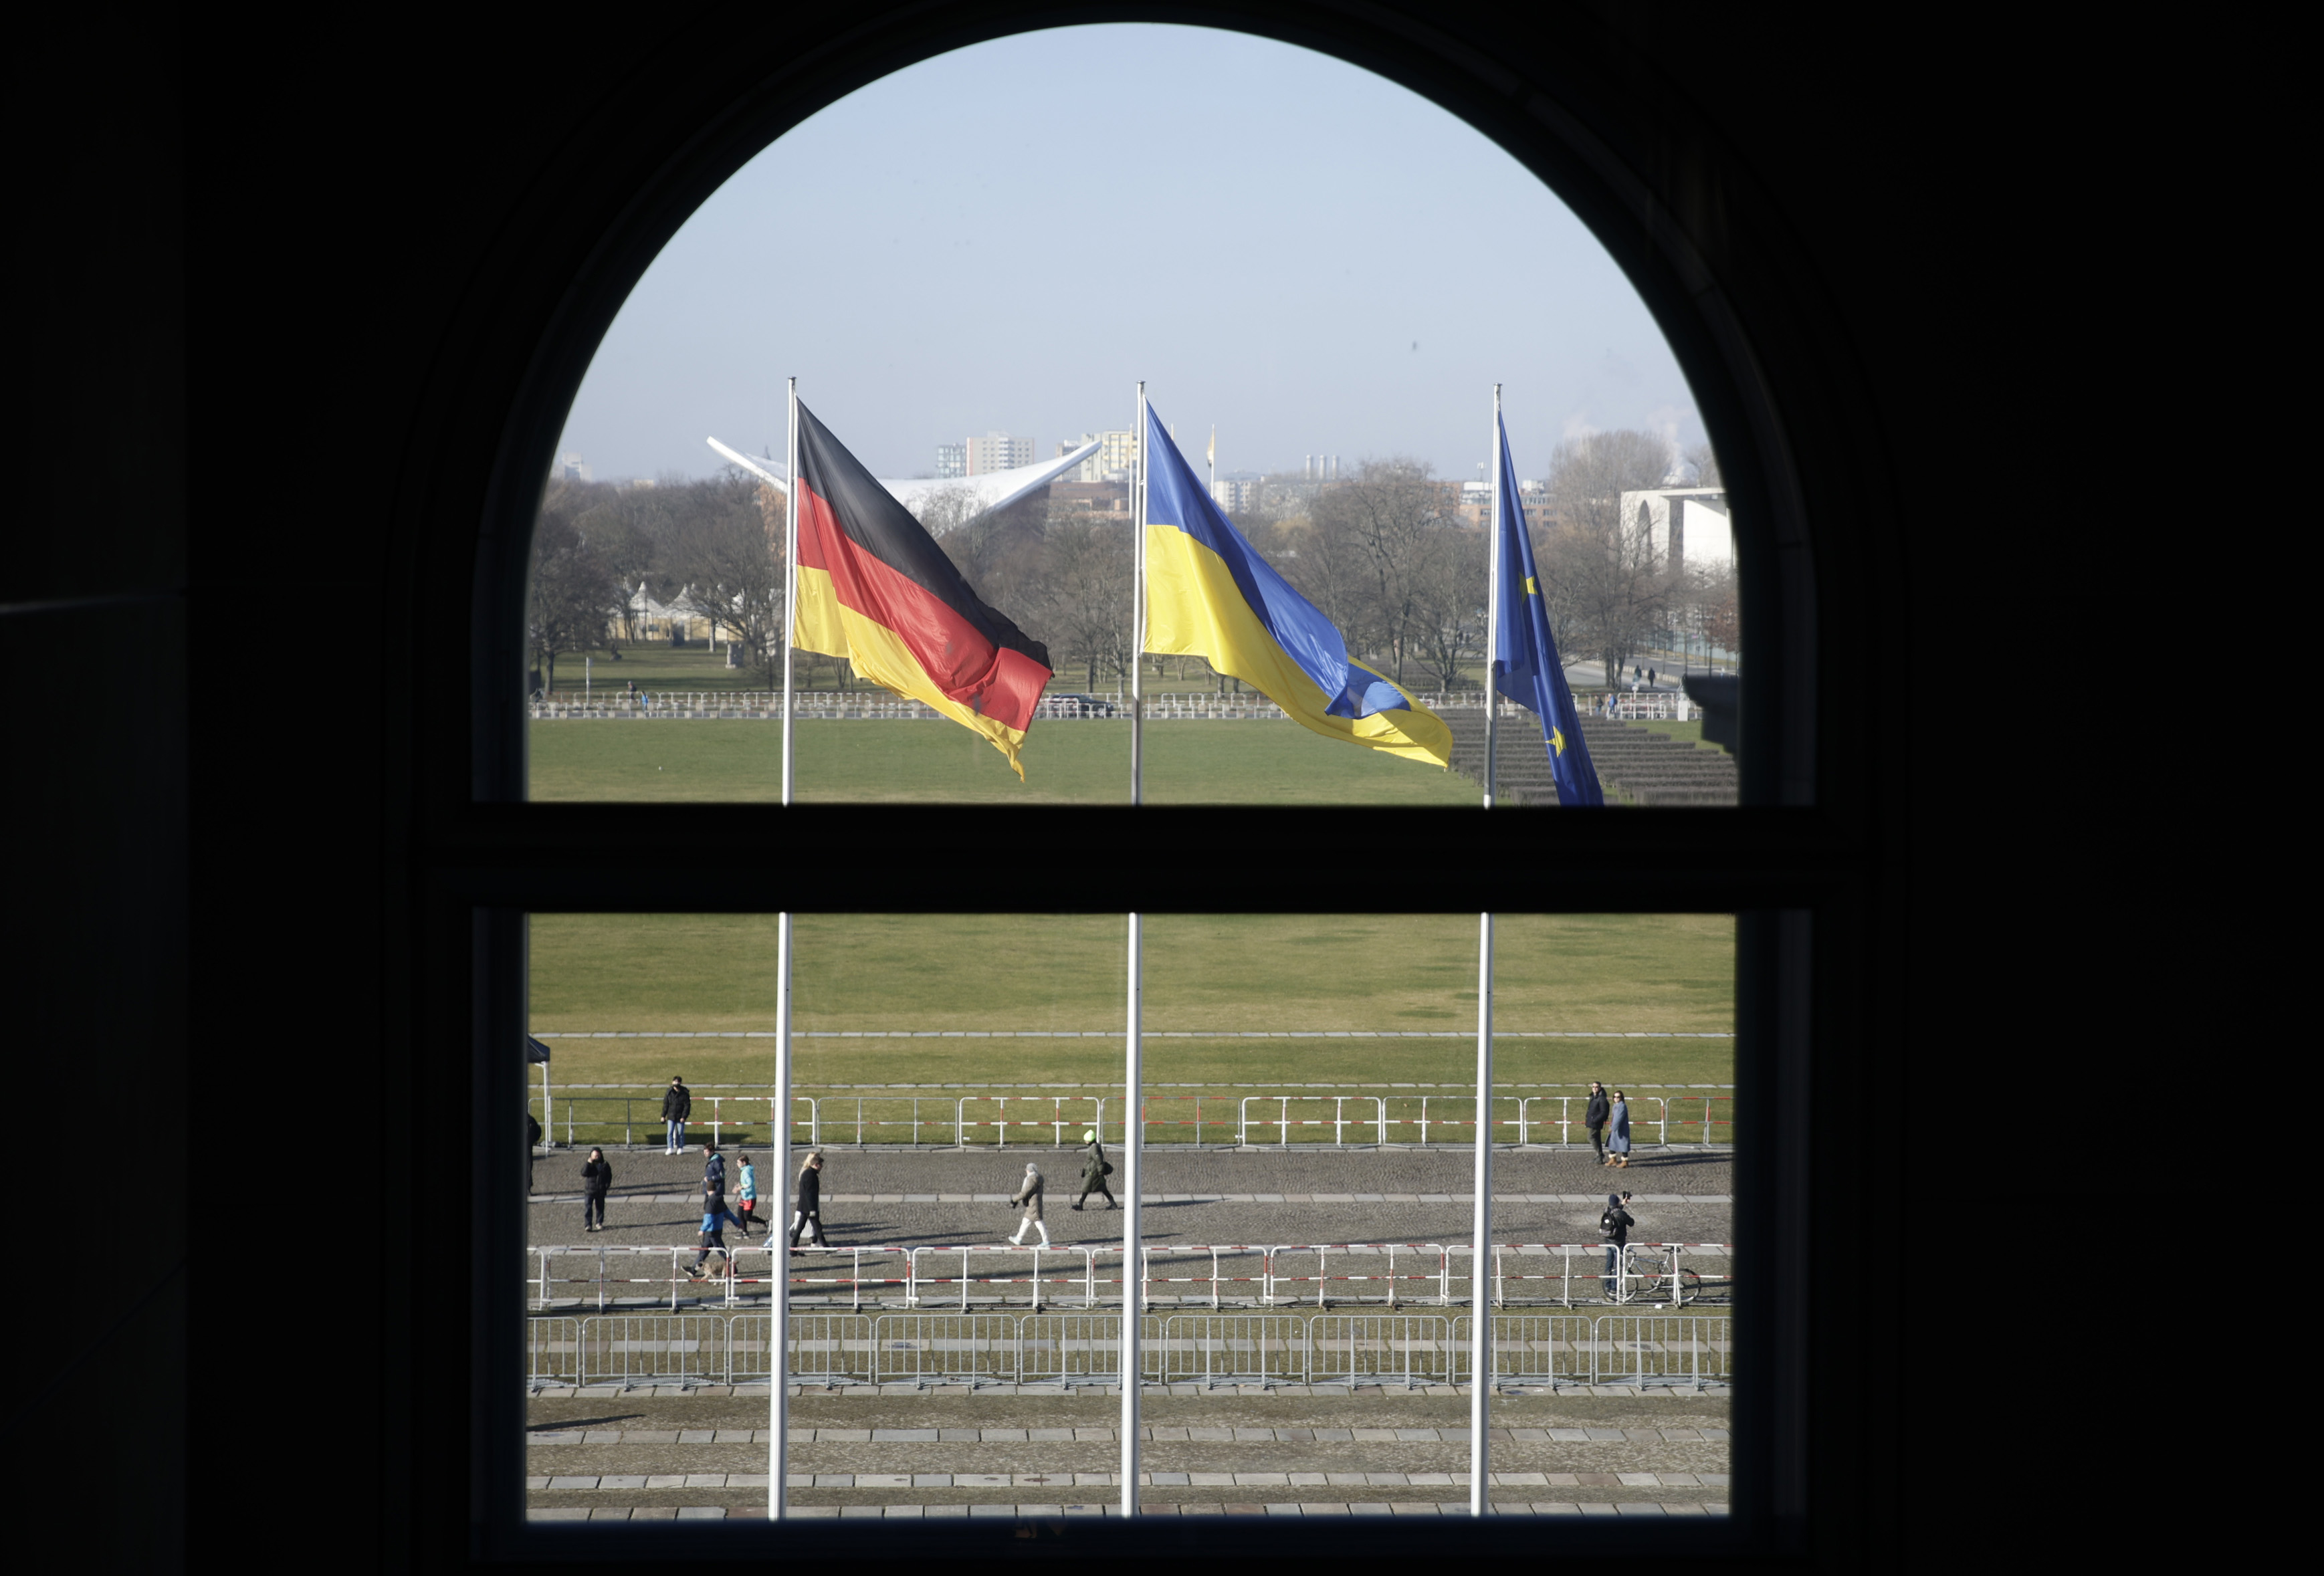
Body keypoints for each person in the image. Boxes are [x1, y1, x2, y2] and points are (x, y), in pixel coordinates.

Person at [1600, 1190, 1636, 1299]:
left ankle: (1607, 1285)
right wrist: (1623, 1208)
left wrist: (1622, 1205)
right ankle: (1614, 1288)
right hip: (1619, 1243)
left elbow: (1615, 1211)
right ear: (1617, 1203)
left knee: (1609, 1264)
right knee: (1617, 1266)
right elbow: (1631, 1222)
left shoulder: (1607, 1210)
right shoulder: (1621, 1214)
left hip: (1608, 1241)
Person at [788, 1151, 828, 1248]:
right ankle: (827, 1248)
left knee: (800, 1229)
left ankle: (793, 1248)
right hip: (808, 1208)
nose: (822, 1167)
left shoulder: (809, 1173)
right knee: (817, 1228)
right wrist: (812, 1209)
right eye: (820, 1165)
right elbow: (809, 1194)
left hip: (804, 1207)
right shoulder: (810, 1175)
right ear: (816, 1165)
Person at [1072, 1129, 1116, 1210]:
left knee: (1086, 1187)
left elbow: (1098, 1160)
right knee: (1103, 1188)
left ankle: (1080, 1204)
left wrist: (1100, 1172)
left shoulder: (1093, 1148)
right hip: (1093, 1171)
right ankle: (1113, 1203)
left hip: (1093, 1172)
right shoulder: (1094, 1147)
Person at [1007, 1162, 1049, 1247]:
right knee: (1026, 1221)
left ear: (1029, 1170)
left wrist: (1014, 1200)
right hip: (1033, 1203)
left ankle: (1046, 1241)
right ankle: (1019, 1238)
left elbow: (1025, 1192)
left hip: (1034, 1204)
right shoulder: (1037, 1178)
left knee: (1039, 1222)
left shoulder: (1032, 1179)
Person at [580, 1146, 613, 1233]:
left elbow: (609, 1176)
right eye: (595, 1156)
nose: (596, 1157)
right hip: (590, 1190)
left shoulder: (605, 1165)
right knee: (588, 1208)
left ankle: (599, 1222)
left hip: (600, 1190)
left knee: (600, 1208)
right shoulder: (589, 1165)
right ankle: (588, 1225)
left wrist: (607, 1185)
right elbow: (584, 1173)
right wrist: (588, 1163)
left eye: (598, 1156)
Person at [661, 1075, 691, 1155]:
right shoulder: (669, 1092)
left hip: (680, 1117)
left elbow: (687, 1106)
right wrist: (663, 1116)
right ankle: (670, 1147)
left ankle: (680, 1147)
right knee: (669, 1133)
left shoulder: (684, 1093)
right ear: (672, 1082)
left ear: (680, 1083)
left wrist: (684, 1116)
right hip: (671, 1116)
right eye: (675, 1081)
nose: (676, 1083)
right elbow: (666, 1105)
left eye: (678, 1082)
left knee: (680, 1133)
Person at [1584, 1081, 1610, 1165]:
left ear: (1600, 1088)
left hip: (1596, 1123)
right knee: (1597, 1139)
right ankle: (1599, 1156)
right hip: (1592, 1121)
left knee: (1591, 1137)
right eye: (1593, 1087)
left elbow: (1604, 1112)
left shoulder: (1601, 1099)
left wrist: (1594, 1120)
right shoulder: (1594, 1097)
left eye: (1597, 1087)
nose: (1595, 1089)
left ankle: (1600, 1155)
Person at [1606, 1089, 1632, 1169]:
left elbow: (1619, 1118)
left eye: (1618, 1097)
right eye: (1615, 1097)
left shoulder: (1622, 1106)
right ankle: (1613, 1159)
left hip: (1621, 1129)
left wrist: (1613, 1128)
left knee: (1623, 1145)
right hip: (1615, 1129)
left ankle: (1625, 1161)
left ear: (1621, 1098)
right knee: (1612, 1144)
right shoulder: (1616, 1106)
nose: (1616, 1098)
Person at [735, 1153, 758, 1236]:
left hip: (749, 1198)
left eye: (738, 1163)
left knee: (747, 1217)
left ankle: (766, 1223)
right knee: (740, 1214)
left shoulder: (746, 1172)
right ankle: (744, 1231)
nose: (737, 1164)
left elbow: (750, 1183)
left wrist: (741, 1188)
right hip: (744, 1197)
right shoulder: (745, 1171)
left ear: (744, 1163)